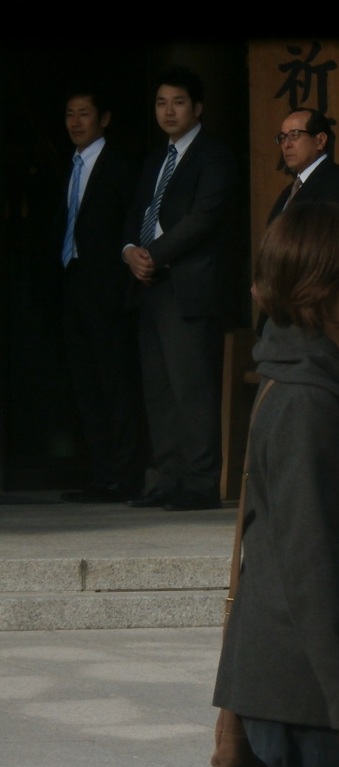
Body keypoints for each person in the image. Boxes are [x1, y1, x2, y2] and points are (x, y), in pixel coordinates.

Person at [213, 201, 339, 767]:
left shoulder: (326, 379)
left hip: (315, 688)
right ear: (321, 289)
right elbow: (311, 562)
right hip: (309, 696)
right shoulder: (309, 400)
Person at [122, 66, 237, 512]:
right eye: (161, 103)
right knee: (160, 389)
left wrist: (154, 253)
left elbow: (204, 218)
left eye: (178, 102)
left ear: (198, 107)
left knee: (192, 388)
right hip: (150, 285)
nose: (168, 111)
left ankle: (200, 483)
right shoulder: (155, 158)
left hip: (187, 286)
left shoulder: (214, 156)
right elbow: (136, 211)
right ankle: (166, 479)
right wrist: (131, 249)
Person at [55, 81, 144, 503]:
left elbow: (131, 226)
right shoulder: (66, 165)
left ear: (103, 119)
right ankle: (99, 472)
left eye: (84, 113)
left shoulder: (120, 166)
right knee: (85, 386)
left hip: (108, 292)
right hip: (73, 288)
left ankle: (124, 475)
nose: (76, 122)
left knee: (116, 385)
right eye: (70, 114)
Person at [267, 107, 339, 223]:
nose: (286, 144)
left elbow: (331, 233)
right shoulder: (289, 191)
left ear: (320, 141)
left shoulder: (338, 179)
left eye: (294, 135)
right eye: (282, 137)